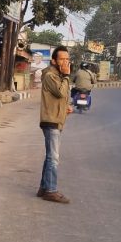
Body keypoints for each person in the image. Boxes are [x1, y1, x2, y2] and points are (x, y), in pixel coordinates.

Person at [37, 46, 73, 204]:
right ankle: (51, 190)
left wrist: (66, 107)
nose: (66, 62)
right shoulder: (51, 75)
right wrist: (66, 76)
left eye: (67, 59)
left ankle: (44, 188)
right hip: (51, 120)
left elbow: (61, 97)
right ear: (54, 60)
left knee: (50, 156)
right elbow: (60, 92)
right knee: (54, 158)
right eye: (62, 59)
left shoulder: (58, 75)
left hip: (56, 119)